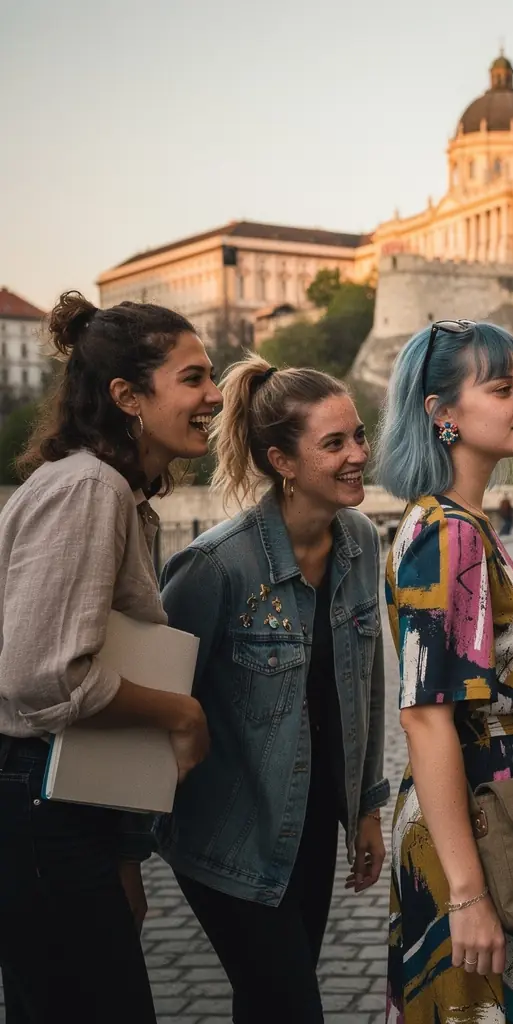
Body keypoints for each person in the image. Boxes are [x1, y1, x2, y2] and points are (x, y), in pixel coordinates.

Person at [0, 291, 215, 1024]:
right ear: (127, 396)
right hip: (40, 805)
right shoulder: (89, 489)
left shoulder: (105, 489)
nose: (215, 396)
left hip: (55, 803)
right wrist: (181, 713)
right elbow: (43, 677)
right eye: (193, 378)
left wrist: (123, 853)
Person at [157, 354, 390, 1024]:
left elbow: (367, 686)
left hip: (310, 828)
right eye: (334, 443)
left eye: (358, 436)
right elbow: (158, 702)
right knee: (291, 1006)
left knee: (267, 1005)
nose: (358, 455)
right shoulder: (215, 566)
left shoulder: (359, 541)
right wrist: (123, 852)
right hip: (227, 835)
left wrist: (365, 808)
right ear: (282, 461)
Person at [375, 320, 513, 1024]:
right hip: (483, 826)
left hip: (499, 818)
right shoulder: (449, 533)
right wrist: (467, 893)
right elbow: (425, 717)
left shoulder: (455, 521)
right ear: (443, 414)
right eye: (502, 389)